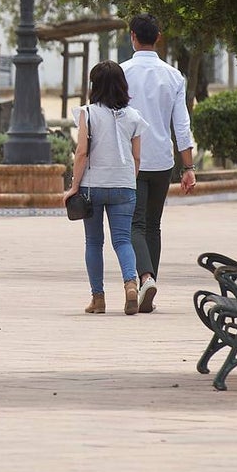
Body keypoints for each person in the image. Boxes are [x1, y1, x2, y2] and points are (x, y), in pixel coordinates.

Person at [120, 14, 196, 314]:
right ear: (158, 37)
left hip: (131, 160)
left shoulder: (122, 73)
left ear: (133, 36)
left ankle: (145, 278)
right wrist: (188, 168)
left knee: (134, 224)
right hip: (163, 161)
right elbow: (182, 126)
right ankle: (148, 286)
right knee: (153, 225)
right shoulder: (174, 76)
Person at [64, 61, 147, 315]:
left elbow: (81, 153)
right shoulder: (133, 116)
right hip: (124, 185)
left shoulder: (88, 113)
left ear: (95, 85)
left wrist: (73, 187)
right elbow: (136, 157)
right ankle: (131, 285)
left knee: (93, 242)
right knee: (122, 240)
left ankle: (98, 299)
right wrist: (128, 180)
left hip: (93, 187)